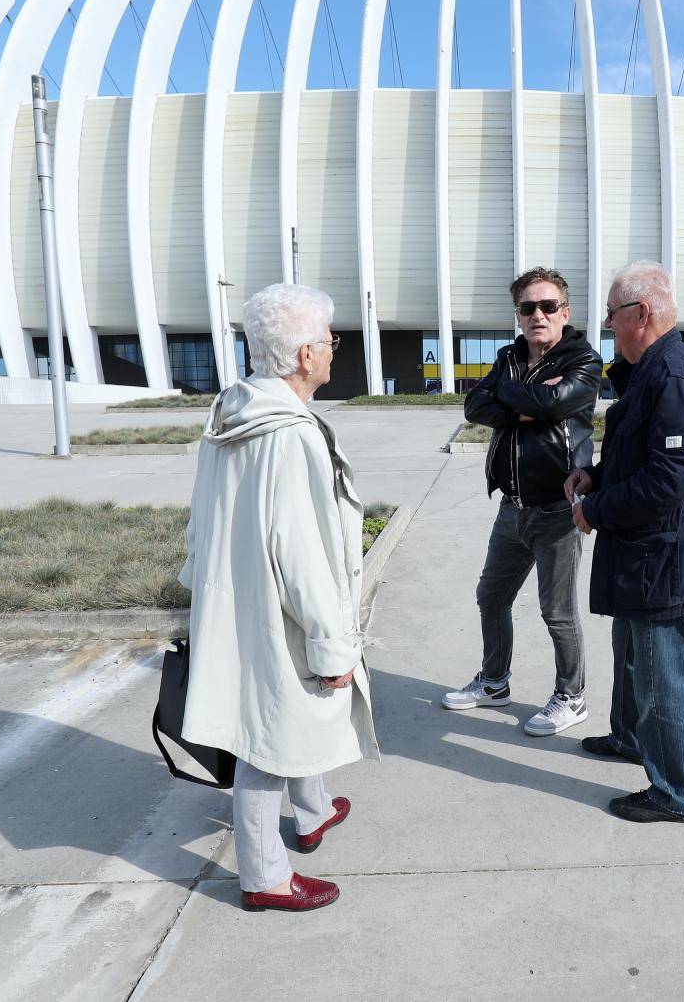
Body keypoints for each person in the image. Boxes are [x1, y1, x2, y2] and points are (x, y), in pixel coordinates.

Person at [178, 283, 378, 912]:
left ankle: (314, 810)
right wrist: (331, 643)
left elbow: (202, 520)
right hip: (277, 607)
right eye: (327, 341)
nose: (331, 352)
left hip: (240, 599)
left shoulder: (232, 414)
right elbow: (301, 553)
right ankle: (264, 877)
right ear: (300, 355)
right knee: (268, 736)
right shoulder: (287, 435)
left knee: (287, 714)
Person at [565, 261, 684, 823]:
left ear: (641, 314)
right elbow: (638, 449)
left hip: (666, 554)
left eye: (612, 316)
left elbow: (670, 477)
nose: (608, 328)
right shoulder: (650, 369)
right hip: (644, 550)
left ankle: (676, 793)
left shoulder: (677, 375)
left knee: (662, 669)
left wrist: (596, 509)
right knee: (630, 651)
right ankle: (628, 737)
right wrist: (597, 473)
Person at [444, 267, 603, 736]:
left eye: (548, 306)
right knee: (490, 597)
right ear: (518, 315)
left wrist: (515, 398)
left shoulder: (584, 361)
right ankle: (494, 682)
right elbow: (475, 405)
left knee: (557, 612)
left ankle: (571, 696)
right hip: (511, 507)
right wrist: (526, 402)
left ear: (564, 312)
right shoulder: (509, 356)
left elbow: (556, 406)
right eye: (528, 307)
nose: (538, 315)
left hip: (557, 507)